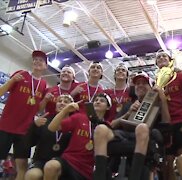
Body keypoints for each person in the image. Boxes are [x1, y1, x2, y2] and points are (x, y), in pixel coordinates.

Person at [93, 71, 170, 180]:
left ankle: (135, 176)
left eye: (144, 83)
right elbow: (113, 125)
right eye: (137, 84)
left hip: (146, 138)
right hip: (124, 136)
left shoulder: (158, 103)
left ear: (150, 86)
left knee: (142, 128)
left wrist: (163, 99)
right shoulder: (129, 104)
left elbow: (166, 123)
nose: (140, 85)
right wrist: (128, 113)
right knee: (100, 129)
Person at [0, 50, 48, 180]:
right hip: (6, 125)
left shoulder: (43, 84)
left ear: (45, 66)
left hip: (24, 130)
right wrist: (12, 81)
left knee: (22, 165)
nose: (37, 61)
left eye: (41, 60)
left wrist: (45, 100)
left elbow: (38, 109)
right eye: (35, 59)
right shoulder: (21, 74)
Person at [43, 93, 112, 180]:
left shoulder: (107, 127)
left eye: (102, 101)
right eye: (95, 100)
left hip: (88, 169)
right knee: (50, 166)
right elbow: (52, 128)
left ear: (108, 107)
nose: (97, 102)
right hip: (69, 160)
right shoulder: (79, 118)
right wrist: (65, 110)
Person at [155, 50, 182, 180]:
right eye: (159, 57)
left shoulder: (180, 76)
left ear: (170, 60)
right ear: (156, 63)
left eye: (164, 56)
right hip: (165, 125)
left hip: (181, 121)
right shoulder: (155, 82)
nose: (161, 58)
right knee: (167, 163)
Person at [25, 95, 73, 180]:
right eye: (59, 101)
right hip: (41, 161)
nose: (62, 103)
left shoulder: (74, 125)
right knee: (32, 175)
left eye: (66, 102)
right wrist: (34, 126)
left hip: (63, 164)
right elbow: (30, 143)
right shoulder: (45, 120)